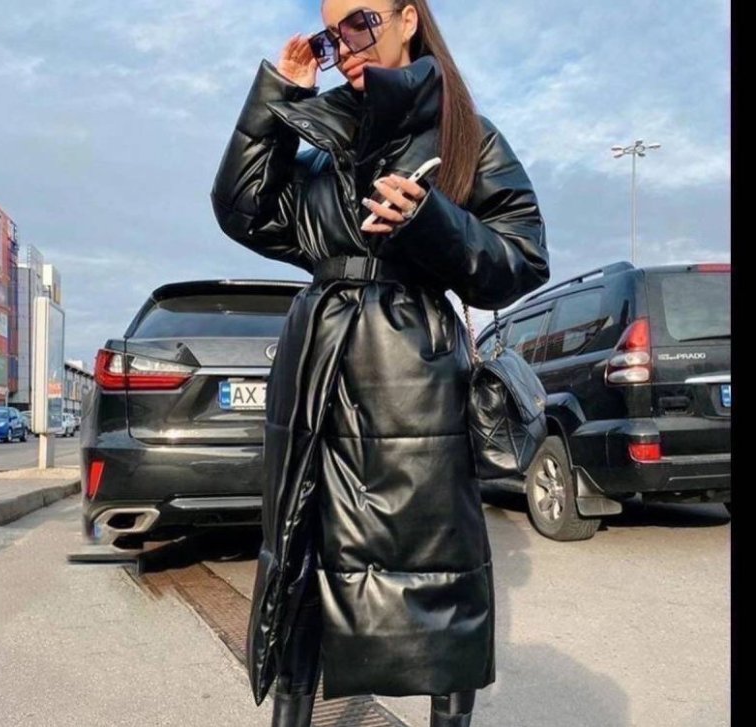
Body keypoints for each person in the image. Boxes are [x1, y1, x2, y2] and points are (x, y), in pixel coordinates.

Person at [210, 1, 549, 725]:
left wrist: (433, 222)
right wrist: (279, 96)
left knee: (439, 573)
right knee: (300, 561)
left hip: (412, 381)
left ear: (406, 19)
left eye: (360, 22)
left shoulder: (465, 136)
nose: (346, 47)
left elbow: (522, 256)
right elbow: (242, 210)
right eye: (332, 36)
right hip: (314, 374)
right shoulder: (320, 135)